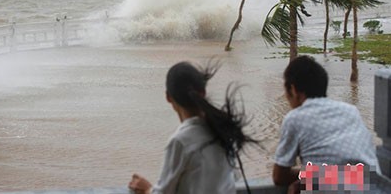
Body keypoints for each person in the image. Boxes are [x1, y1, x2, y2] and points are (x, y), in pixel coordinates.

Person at [129, 61, 256, 194]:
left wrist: (146, 189)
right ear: (203, 92)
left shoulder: (180, 140)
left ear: (168, 97)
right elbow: (234, 176)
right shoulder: (221, 130)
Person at [273, 55, 379, 193]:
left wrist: (307, 176)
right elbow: (360, 176)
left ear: (293, 90)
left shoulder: (294, 118)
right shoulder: (351, 110)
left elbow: (279, 177)